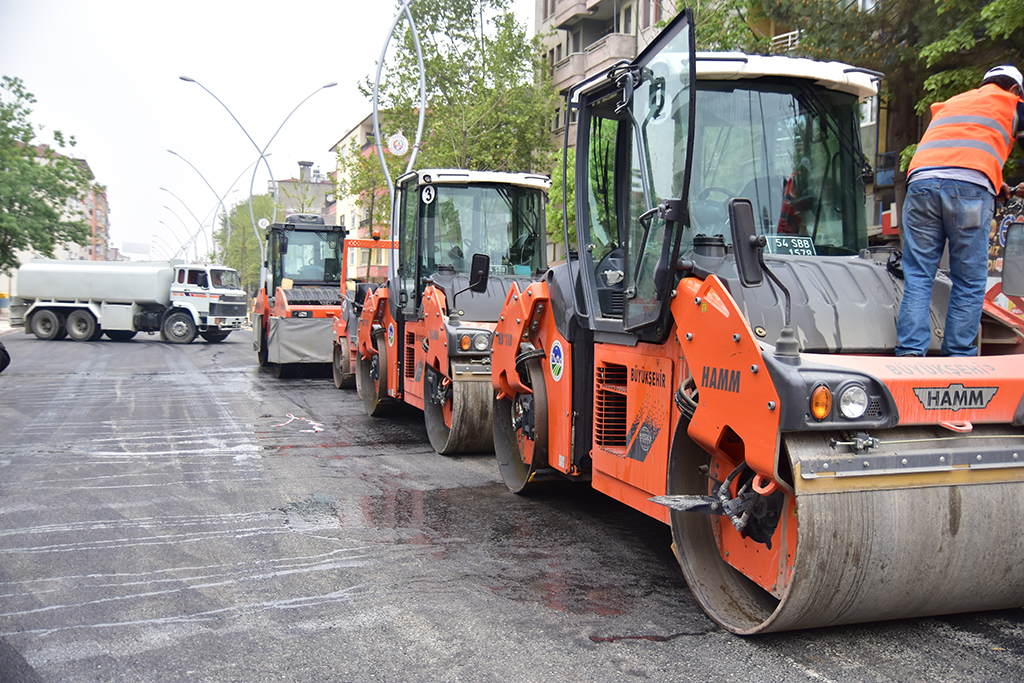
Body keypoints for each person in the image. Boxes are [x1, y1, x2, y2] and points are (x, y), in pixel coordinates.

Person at [896, 65, 1024, 357]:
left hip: (921, 185)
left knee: (918, 274)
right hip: (970, 191)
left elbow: (953, 151)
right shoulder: (1011, 103)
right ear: (1016, 90)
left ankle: (910, 354)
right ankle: (958, 357)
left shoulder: (954, 103)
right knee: (968, 280)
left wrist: (995, 182)